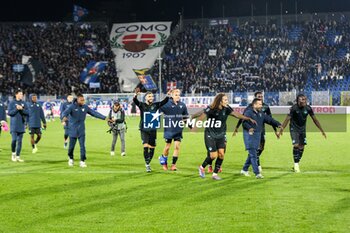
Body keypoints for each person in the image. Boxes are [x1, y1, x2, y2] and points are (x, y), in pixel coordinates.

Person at [193, 93, 256, 180]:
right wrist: (195, 124)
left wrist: (247, 118)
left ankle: (215, 174)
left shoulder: (227, 108)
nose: (227, 101)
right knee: (213, 156)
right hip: (210, 134)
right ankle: (202, 167)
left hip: (221, 135)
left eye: (227, 99)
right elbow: (201, 115)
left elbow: (236, 114)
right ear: (220, 101)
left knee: (221, 154)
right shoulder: (211, 108)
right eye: (225, 100)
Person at [278, 94, 326, 173]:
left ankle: (296, 163)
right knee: (296, 145)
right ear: (298, 100)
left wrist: (321, 130)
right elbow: (287, 119)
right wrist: (281, 129)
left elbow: (315, 120)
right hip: (294, 128)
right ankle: (296, 164)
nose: (304, 101)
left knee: (302, 147)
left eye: (305, 99)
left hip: (302, 129)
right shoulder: (294, 108)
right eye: (302, 99)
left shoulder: (308, 108)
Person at [61, 94, 112, 168]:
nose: (83, 101)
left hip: (81, 130)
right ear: (78, 100)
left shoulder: (85, 107)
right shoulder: (72, 107)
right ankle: (71, 158)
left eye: (83, 100)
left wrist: (105, 118)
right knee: (71, 147)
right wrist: (64, 117)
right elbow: (64, 113)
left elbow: (94, 113)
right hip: (72, 130)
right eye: (81, 100)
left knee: (82, 146)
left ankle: (82, 161)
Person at [233, 91, 279, 173]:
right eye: (259, 96)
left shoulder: (265, 107)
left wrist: (276, 130)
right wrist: (237, 127)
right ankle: (257, 166)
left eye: (261, 96)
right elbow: (243, 118)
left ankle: (248, 164)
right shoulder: (249, 109)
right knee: (255, 149)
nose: (260, 97)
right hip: (252, 131)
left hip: (261, 130)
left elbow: (270, 119)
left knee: (261, 148)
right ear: (255, 98)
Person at [240, 98, 282, 179]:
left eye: (261, 104)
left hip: (257, 136)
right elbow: (244, 123)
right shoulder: (248, 112)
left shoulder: (261, 113)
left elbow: (269, 119)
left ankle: (244, 169)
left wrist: (278, 124)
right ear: (254, 105)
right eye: (259, 104)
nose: (261, 106)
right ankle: (257, 173)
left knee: (253, 153)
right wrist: (249, 128)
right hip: (249, 135)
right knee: (253, 154)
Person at [133, 89, 170, 172]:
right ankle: (147, 164)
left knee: (152, 148)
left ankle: (148, 162)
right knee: (145, 146)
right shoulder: (142, 105)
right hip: (144, 128)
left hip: (153, 129)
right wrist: (135, 95)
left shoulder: (156, 105)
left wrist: (168, 95)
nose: (151, 97)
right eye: (149, 96)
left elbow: (164, 101)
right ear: (145, 97)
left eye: (152, 96)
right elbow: (135, 101)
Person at [159, 89, 189, 171]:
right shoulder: (166, 104)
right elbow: (158, 108)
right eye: (176, 94)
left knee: (177, 147)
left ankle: (173, 165)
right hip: (169, 129)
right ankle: (164, 162)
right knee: (167, 148)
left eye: (179, 94)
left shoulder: (182, 105)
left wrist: (189, 124)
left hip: (178, 129)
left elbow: (185, 117)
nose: (178, 96)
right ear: (172, 96)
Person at [7, 89, 28, 162]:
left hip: (21, 124)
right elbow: (10, 113)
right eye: (20, 94)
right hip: (14, 125)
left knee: (20, 141)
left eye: (22, 94)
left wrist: (21, 109)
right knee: (14, 140)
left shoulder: (24, 103)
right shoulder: (12, 103)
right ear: (16, 95)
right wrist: (16, 109)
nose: (21, 95)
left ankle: (18, 156)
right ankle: (13, 154)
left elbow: (27, 113)